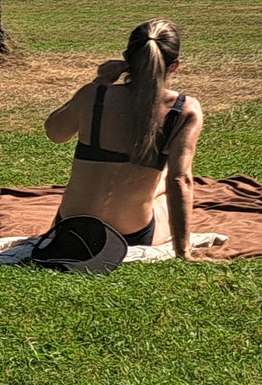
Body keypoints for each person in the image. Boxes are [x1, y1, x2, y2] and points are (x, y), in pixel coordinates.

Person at [38, 20, 207, 265]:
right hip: (132, 236)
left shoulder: (94, 96)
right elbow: (181, 181)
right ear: (174, 67)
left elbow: (55, 133)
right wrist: (184, 251)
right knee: (166, 177)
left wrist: (99, 83)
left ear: (127, 57)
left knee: (158, 177)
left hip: (71, 230)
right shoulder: (184, 110)